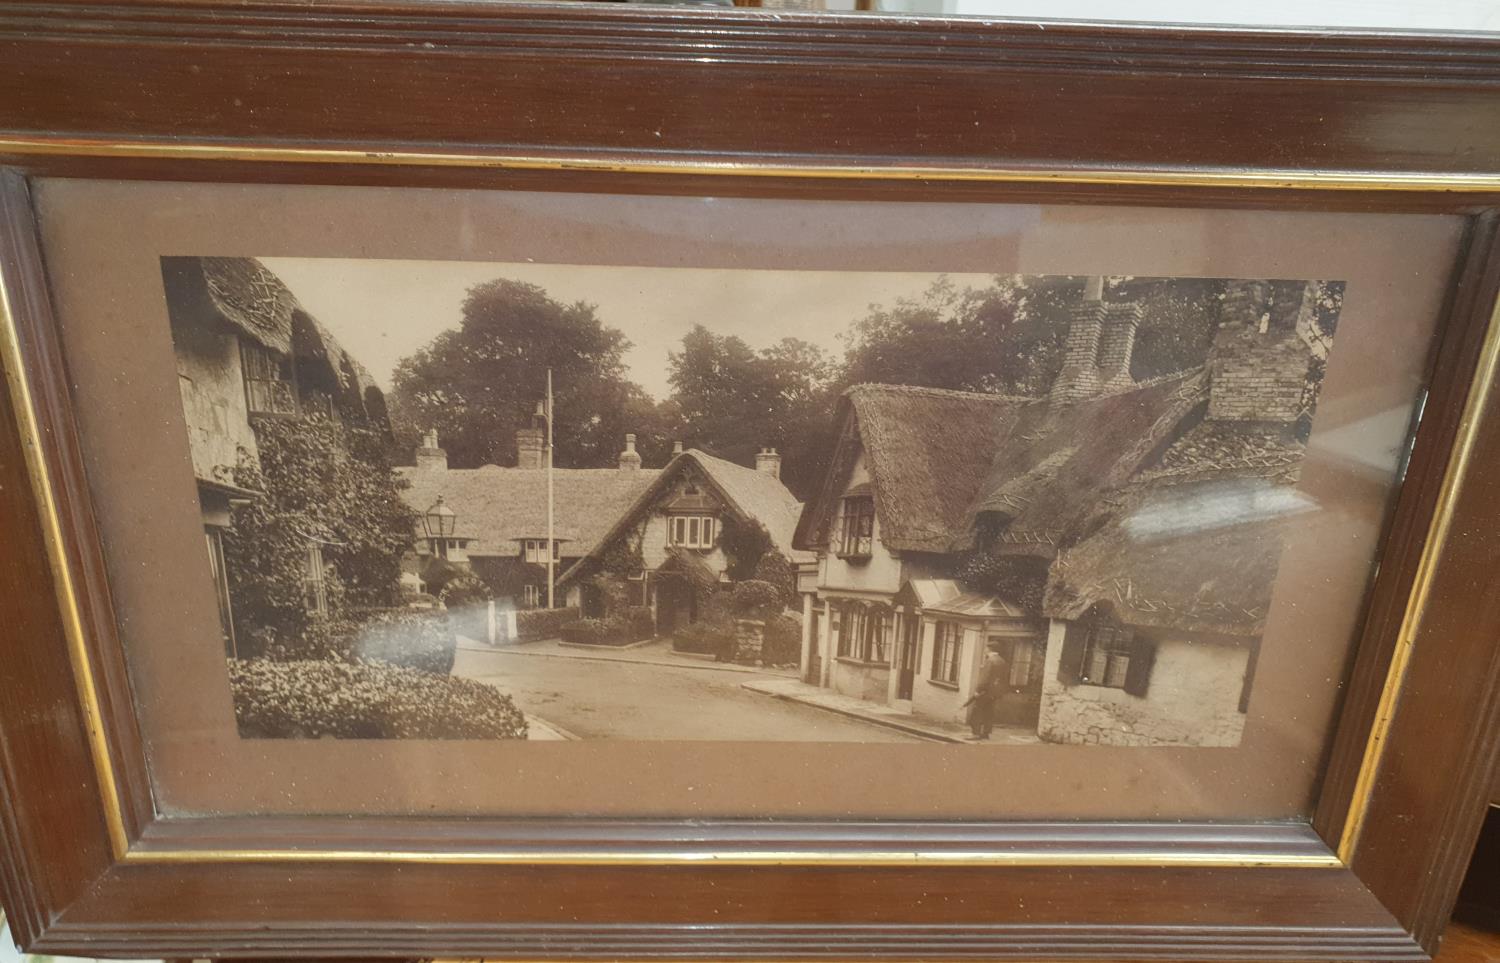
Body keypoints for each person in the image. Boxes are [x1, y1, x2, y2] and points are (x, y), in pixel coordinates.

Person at [963, 640, 1009, 741]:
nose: (985, 650)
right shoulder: (1002, 661)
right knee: (989, 712)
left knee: (977, 711)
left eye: (986, 648)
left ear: (989, 649)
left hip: (984, 692)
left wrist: (978, 690)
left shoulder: (990, 661)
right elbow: (1004, 679)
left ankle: (975, 733)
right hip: (994, 693)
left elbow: (985, 678)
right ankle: (986, 733)